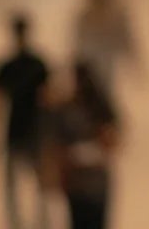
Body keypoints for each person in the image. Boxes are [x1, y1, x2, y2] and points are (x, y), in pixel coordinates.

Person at [0, 13, 52, 229]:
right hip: (33, 127)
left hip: (18, 127)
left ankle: (18, 220)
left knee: (15, 181)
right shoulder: (37, 65)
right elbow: (47, 99)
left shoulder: (7, 67)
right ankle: (37, 220)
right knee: (35, 179)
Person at [44, 61, 122, 229]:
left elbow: (113, 139)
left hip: (93, 180)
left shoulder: (98, 108)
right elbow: (55, 144)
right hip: (77, 180)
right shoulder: (64, 110)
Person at [72, 0, 144, 108]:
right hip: (93, 59)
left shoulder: (109, 10)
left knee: (103, 92)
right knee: (98, 94)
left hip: (103, 58)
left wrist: (135, 61)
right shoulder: (90, 11)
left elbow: (124, 35)